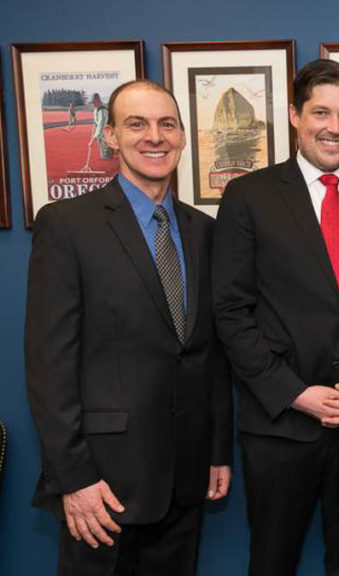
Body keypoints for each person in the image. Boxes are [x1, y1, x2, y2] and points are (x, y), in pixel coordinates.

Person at [212, 59, 339, 576]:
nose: (334, 126)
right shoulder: (249, 197)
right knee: (271, 563)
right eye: (321, 112)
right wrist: (295, 393)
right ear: (295, 116)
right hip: (281, 424)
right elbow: (231, 313)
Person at [25, 79, 232, 576]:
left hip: (185, 477)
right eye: (136, 124)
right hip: (103, 485)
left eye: (167, 124)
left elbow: (210, 354)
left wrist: (217, 450)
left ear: (183, 136)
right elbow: (49, 364)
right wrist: (73, 479)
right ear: (112, 137)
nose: (154, 137)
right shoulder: (67, 224)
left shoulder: (204, 231)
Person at [80, 92, 110, 171]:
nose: (93, 104)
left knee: (106, 156)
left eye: (94, 103)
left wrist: (93, 140)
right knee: (102, 154)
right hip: (102, 133)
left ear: (97, 101)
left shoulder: (102, 111)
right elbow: (96, 123)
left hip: (107, 132)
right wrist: (94, 126)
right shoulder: (96, 109)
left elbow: (100, 126)